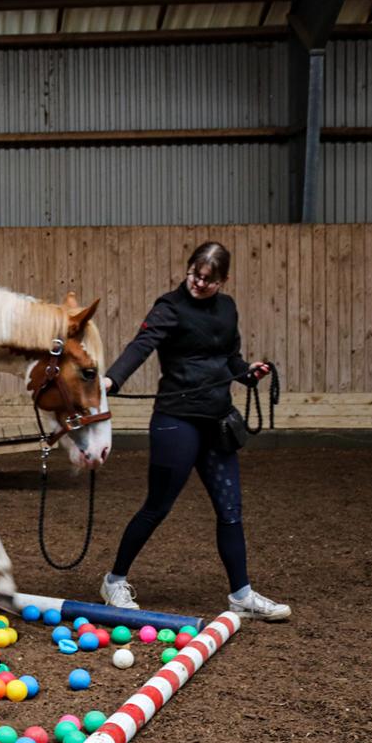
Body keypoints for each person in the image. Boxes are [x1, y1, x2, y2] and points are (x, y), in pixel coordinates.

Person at [98, 241, 290, 621]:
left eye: (208, 280)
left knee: (230, 510)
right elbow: (141, 346)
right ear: (187, 270)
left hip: (217, 421)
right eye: (194, 275)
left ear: (223, 280)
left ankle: (241, 594)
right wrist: (111, 380)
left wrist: (247, 372)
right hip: (176, 420)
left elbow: (229, 358)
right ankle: (114, 580)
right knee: (158, 506)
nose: (199, 284)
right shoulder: (169, 307)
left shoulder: (227, 309)